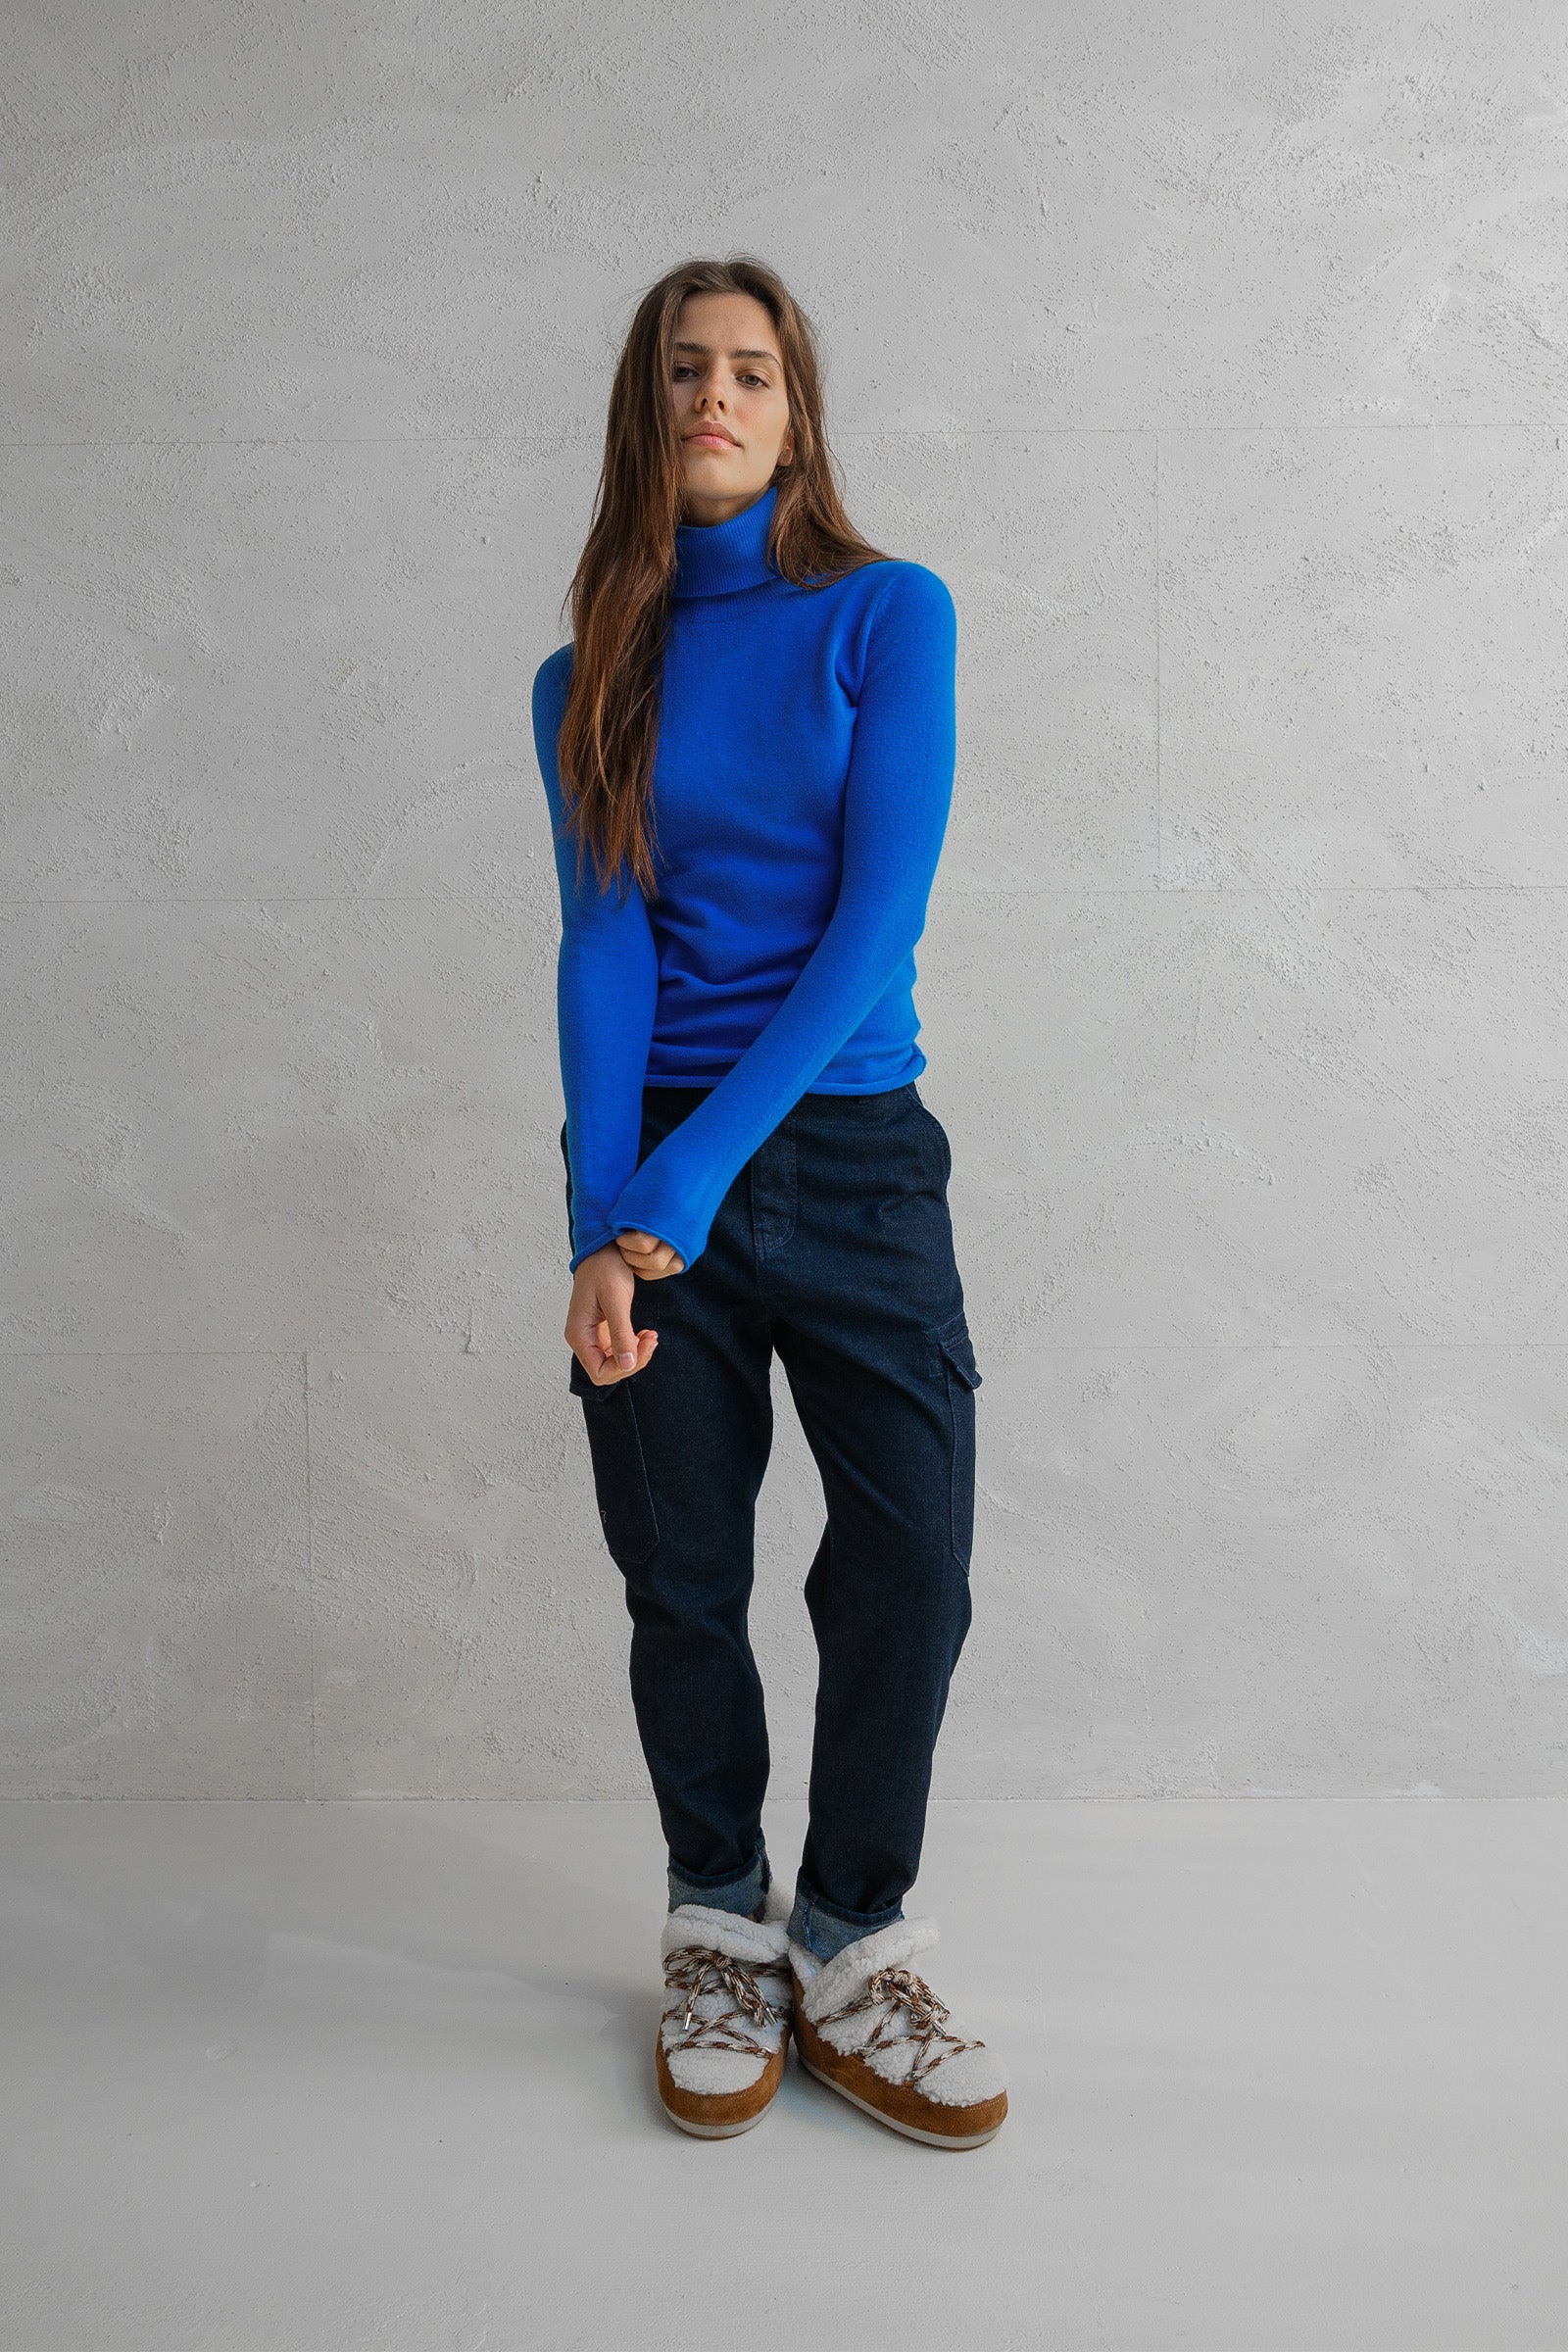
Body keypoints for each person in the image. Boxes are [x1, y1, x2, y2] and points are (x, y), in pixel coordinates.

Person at [532, 255, 1007, 2150]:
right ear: (642, 412)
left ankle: (853, 1935)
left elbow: (875, 922)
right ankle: (718, 1922)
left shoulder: (888, 614)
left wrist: (685, 1176)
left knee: (912, 1563)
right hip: (654, 1182)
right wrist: (603, 1216)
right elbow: (602, 946)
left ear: (796, 413)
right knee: (682, 1576)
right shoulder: (589, 675)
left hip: (853, 1158)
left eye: (748, 371)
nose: (713, 399)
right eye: (681, 372)